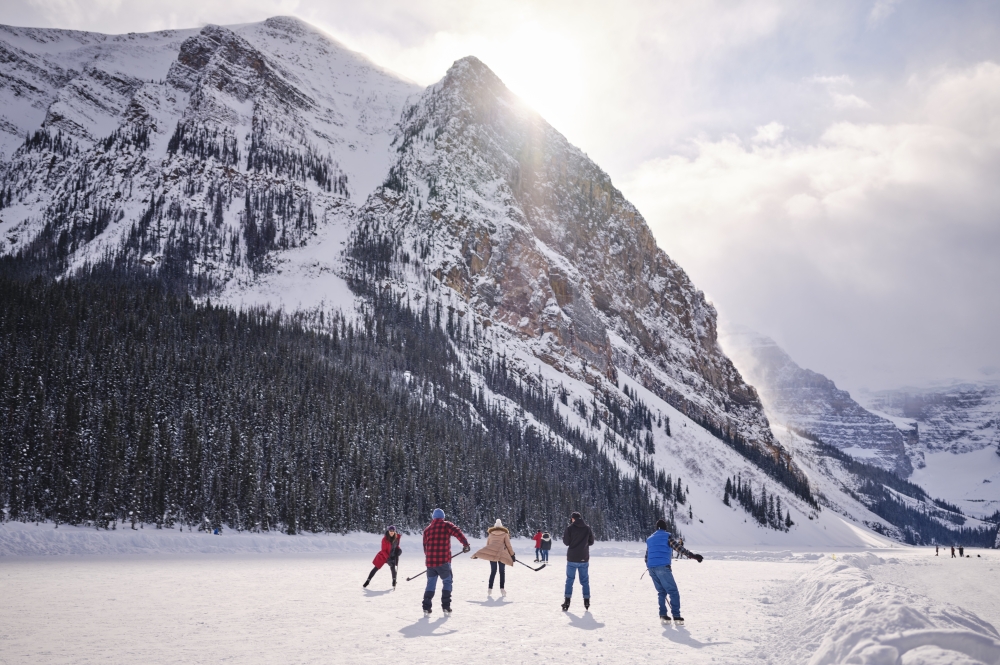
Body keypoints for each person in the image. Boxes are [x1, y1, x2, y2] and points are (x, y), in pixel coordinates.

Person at [645, 519, 703, 625]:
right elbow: (679, 548)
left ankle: (663, 615)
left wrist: (650, 567)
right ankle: (676, 616)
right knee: (673, 591)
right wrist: (693, 556)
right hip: (662, 567)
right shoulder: (667, 536)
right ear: (664, 527)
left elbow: (646, 556)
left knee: (661, 592)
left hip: (651, 568)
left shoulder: (650, 539)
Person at [422, 508, 470, 616]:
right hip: (443, 562)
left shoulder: (427, 530)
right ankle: (446, 607)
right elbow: (458, 532)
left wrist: (430, 558)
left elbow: (425, 548)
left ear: (433, 518)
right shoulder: (446, 525)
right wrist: (465, 544)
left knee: (430, 584)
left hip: (430, 563)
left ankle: (426, 607)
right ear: (442, 517)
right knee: (447, 582)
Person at [471, 519, 516, 595]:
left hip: (492, 555)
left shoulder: (491, 534)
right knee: (502, 572)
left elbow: (488, 546)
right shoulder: (505, 534)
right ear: (501, 526)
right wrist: (512, 555)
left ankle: (490, 589)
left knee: (493, 571)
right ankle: (502, 589)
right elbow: (508, 546)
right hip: (502, 555)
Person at [562, 511, 595, 611]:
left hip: (572, 558)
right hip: (584, 558)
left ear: (573, 519)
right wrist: (583, 544)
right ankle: (586, 600)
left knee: (570, 580)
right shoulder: (587, 528)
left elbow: (566, 542)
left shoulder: (570, 528)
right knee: (585, 581)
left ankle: (567, 601)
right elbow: (591, 542)